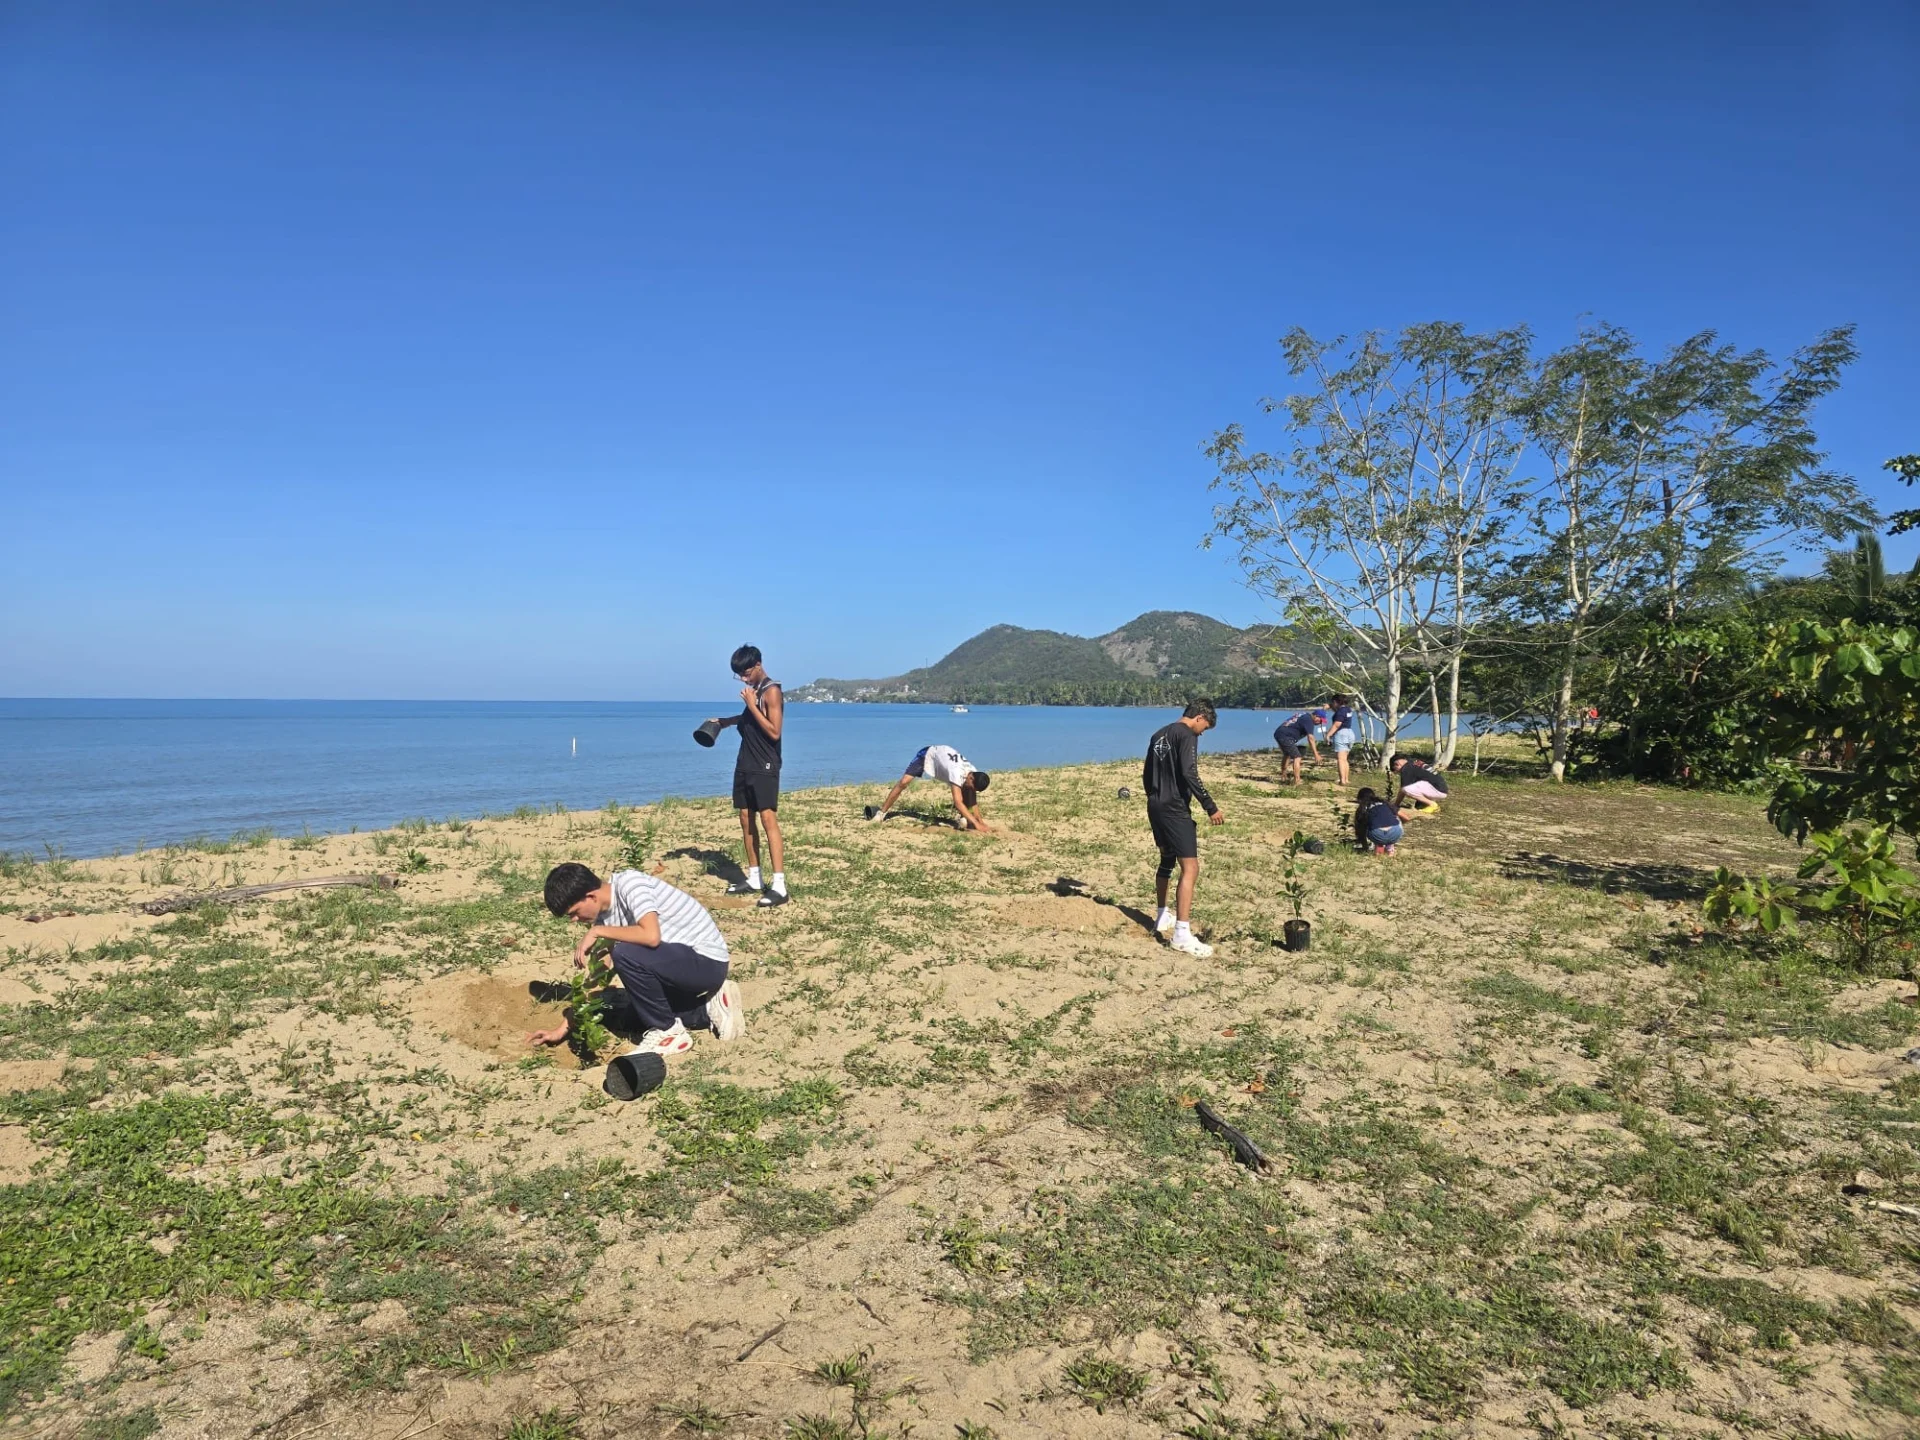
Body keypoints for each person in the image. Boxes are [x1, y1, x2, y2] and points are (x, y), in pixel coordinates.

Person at [527, 862, 745, 1058]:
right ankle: (708, 1009)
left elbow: (651, 936)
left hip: (706, 964)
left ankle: (668, 1031)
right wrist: (561, 1030)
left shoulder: (630, 885)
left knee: (625, 953)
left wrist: (597, 932)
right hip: (681, 967)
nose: (575, 920)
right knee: (632, 1018)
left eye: (574, 913)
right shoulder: (604, 917)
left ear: (591, 896)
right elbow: (598, 976)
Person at [705, 645, 788, 907]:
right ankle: (754, 878)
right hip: (745, 762)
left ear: (758, 665)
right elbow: (747, 720)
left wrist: (751, 705)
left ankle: (779, 886)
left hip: (765, 763)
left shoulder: (771, 691)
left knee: (768, 819)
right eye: (738, 675)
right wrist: (724, 722)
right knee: (745, 817)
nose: (743, 678)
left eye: (745, 673)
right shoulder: (755, 691)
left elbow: (774, 731)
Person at [1144, 700, 1226, 958]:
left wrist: (1155, 798)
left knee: (1167, 859)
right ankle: (1181, 934)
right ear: (1199, 717)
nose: (1202, 733)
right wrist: (1210, 806)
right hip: (1175, 808)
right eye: (1205, 728)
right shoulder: (1187, 734)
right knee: (1190, 867)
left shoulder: (1158, 734)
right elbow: (1190, 772)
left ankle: (1161, 916)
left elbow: (1147, 774)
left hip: (1155, 804)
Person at [866, 745, 993, 832]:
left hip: (945, 760)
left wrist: (980, 822)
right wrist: (976, 824)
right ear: (971, 777)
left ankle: (965, 819)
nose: (972, 790)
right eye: (973, 786)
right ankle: (881, 813)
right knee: (904, 782)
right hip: (927, 755)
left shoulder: (972, 771)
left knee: (968, 792)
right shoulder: (957, 772)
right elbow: (958, 802)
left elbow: (973, 800)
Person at [1272, 708, 1328, 786]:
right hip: (1286, 736)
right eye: (1320, 720)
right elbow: (1310, 738)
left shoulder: (1305, 715)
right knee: (1297, 757)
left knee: (1287, 754)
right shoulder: (1309, 720)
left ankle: (1283, 776)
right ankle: (1297, 781)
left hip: (1279, 733)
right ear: (1316, 716)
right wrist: (1316, 754)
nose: (1320, 723)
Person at [1353, 787, 1405, 856]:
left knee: (1370, 824)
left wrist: (1365, 846)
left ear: (1359, 799)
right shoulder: (1386, 804)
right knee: (1394, 818)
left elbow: (1360, 830)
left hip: (1377, 834)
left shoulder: (1362, 809)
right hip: (1395, 833)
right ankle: (1389, 846)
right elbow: (1406, 817)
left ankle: (1379, 847)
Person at [1326, 695, 1358, 786]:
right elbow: (1339, 713)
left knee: (1340, 759)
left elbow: (1337, 725)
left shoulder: (1340, 712)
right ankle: (1346, 779)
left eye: (1332, 702)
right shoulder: (1348, 709)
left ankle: (1342, 780)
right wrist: (1330, 707)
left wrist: (1328, 735)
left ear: (1336, 702)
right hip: (1349, 733)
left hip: (1341, 734)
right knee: (1345, 759)